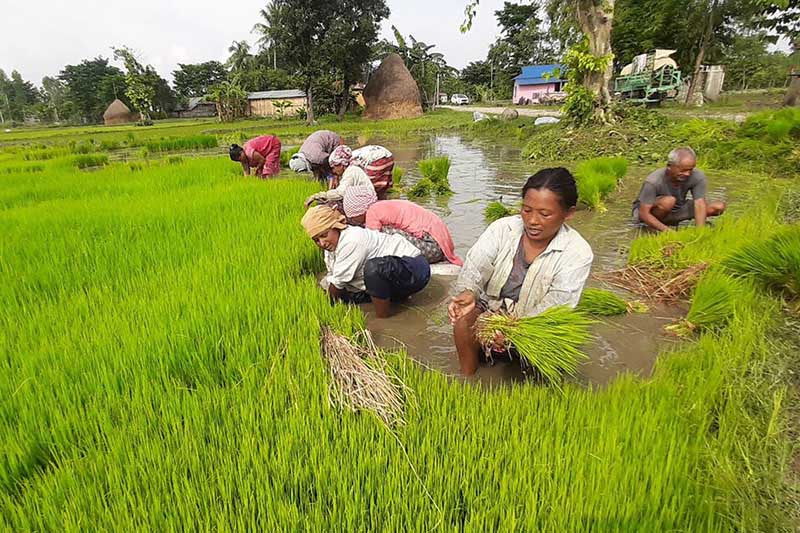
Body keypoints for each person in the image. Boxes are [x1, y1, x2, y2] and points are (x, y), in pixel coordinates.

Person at [447, 168, 593, 376]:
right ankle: (468, 380)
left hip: (533, 326)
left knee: (544, 368)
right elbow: (476, 266)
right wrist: (468, 292)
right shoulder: (502, 230)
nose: (533, 220)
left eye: (545, 214)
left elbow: (558, 304)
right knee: (464, 318)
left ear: (568, 213)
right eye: (526, 210)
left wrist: (513, 329)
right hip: (492, 316)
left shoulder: (577, 252)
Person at [301, 205, 431, 318]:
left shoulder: (352, 240)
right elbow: (335, 278)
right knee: (349, 297)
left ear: (336, 227)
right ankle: (397, 298)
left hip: (414, 267)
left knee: (374, 269)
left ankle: (383, 319)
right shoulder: (331, 248)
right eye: (316, 240)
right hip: (393, 273)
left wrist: (324, 308)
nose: (322, 243)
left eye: (324, 235)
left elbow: (338, 283)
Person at [342, 185, 463, 266]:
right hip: (438, 245)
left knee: (381, 235)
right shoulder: (382, 205)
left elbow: (372, 242)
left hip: (432, 247)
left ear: (358, 211)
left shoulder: (372, 212)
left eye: (353, 217)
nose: (353, 220)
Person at [632, 147, 726, 232]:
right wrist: (669, 232)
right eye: (683, 170)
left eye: (690, 170)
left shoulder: (698, 176)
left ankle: (670, 223)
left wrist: (699, 231)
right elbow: (643, 213)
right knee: (669, 201)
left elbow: (699, 203)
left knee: (718, 207)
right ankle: (653, 226)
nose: (687, 174)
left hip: (677, 209)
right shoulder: (653, 181)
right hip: (651, 213)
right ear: (669, 166)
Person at [303, 146, 375, 208]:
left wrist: (317, 196)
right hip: (365, 201)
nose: (333, 171)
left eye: (333, 167)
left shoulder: (350, 172)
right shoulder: (352, 170)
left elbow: (340, 193)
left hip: (365, 203)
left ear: (341, 164)